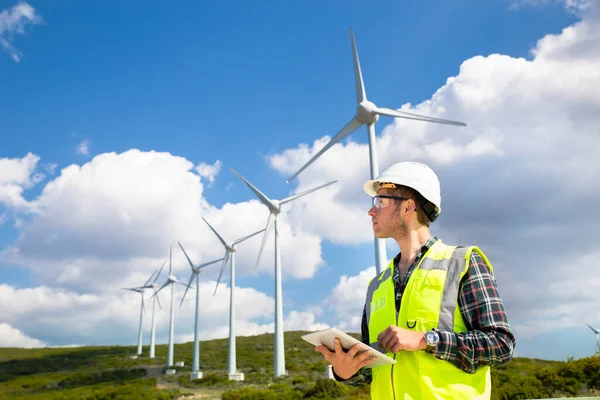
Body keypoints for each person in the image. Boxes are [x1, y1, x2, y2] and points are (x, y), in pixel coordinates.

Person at [315, 161, 515, 399]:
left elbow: (500, 345)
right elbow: (370, 371)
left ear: (408, 208)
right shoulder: (377, 286)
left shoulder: (462, 263)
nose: (371, 211)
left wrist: (425, 339)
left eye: (380, 201)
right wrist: (345, 371)